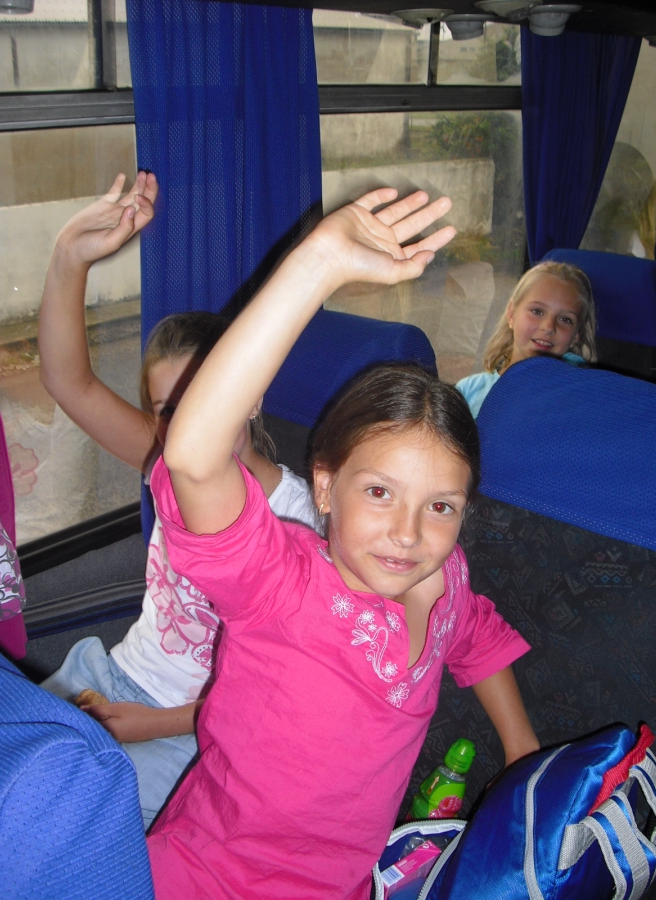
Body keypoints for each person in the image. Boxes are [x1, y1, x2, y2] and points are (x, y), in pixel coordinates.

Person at [146, 184, 540, 899]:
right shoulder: (281, 585)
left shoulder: (444, 578)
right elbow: (195, 459)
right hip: (209, 877)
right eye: (379, 492)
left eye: (441, 506)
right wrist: (317, 266)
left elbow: (473, 636)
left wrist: (521, 753)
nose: (408, 533)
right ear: (324, 488)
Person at [38, 172, 319, 829]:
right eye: (168, 410)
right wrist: (68, 256)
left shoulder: (299, 522)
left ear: (249, 395)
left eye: (205, 399)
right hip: (113, 678)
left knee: (70, 830)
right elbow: (67, 381)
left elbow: (276, 690)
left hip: (199, 725)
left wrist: (149, 724)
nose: (187, 426)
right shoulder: (166, 461)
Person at [456, 261, 598, 418]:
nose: (548, 326)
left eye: (565, 319)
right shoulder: (468, 391)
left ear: (577, 335)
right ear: (511, 314)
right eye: (537, 311)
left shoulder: (579, 394)